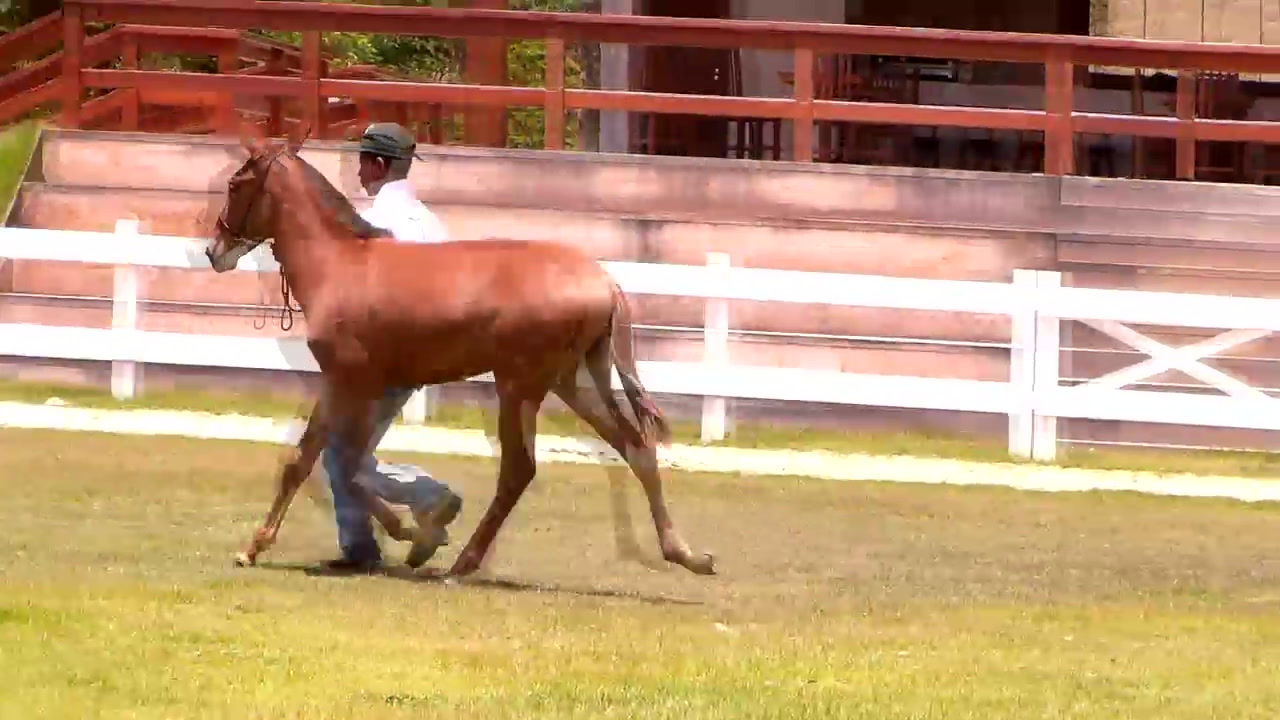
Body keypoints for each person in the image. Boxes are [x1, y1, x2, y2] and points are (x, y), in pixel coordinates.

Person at [319, 122, 462, 573]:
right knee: (348, 454)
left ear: (378, 165)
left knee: (340, 455)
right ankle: (389, 526)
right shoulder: (432, 224)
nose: (358, 171)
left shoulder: (374, 224)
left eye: (361, 162)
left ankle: (417, 504)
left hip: (380, 360)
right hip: (421, 359)